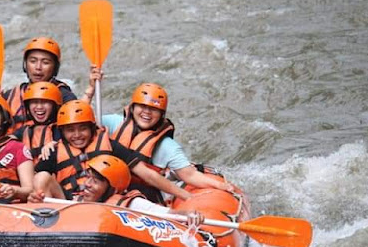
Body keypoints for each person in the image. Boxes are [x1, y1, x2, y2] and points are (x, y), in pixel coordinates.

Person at [31, 100, 189, 201]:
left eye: (83, 129)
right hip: (69, 204)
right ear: (62, 133)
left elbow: (147, 175)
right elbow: (36, 182)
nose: (77, 135)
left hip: (105, 203)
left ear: (92, 128)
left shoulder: (110, 145)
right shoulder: (53, 151)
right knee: (42, 176)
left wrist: (185, 196)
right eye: (70, 130)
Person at [102, 82, 235, 203]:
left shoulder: (167, 147)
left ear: (161, 115)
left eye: (153, 109)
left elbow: (190, 175)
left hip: (142, 194)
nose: (147, 112)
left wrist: (221, 186)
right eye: (142, 106)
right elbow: (84, 122)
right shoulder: (113, 123)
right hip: (104, 184)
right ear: (132, 107)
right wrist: (89, 91)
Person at [30, 155, 204, 228]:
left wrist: (188, 215)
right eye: (88, 178)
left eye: (96, 181)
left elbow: (167, 214)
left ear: (112, 188)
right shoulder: (76, 200)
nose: (88, 185)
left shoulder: (131, 203)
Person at [0, 36, 102, 133]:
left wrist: (91, 89)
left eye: (45, 62)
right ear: (25, 64)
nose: (38, 67)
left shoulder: (63, 95)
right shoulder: (10, 95)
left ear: (55, 67)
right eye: (33, 61)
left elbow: (77, 116)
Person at [13, 81, 63, 162]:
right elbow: (6, 141)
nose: (39, 107)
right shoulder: (25, 129)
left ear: (55, 106)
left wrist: (58, 144)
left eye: (45, 102)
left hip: (51, 172)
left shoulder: (62, 129)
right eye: (34, 102)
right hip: (28, 172)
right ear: (28, 107)